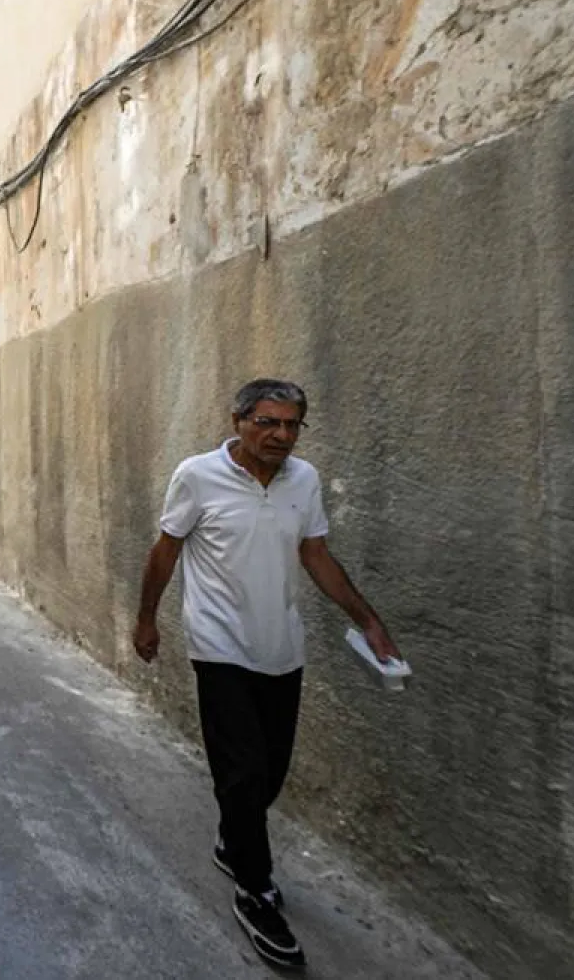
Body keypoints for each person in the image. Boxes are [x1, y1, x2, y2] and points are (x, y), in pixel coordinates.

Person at [133, 379, 399, 971]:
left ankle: (235, 838)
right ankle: (255, 891)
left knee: (269, 774)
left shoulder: (302, 480)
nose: (280, 434)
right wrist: (147, 618)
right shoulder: (197, 476)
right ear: (239, 421)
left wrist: (370, 621)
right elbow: (165, 552)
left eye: (291, 425)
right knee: (243, 772)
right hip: (218, 645)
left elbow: (317, 555)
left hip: (282, 648)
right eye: (267, 422)